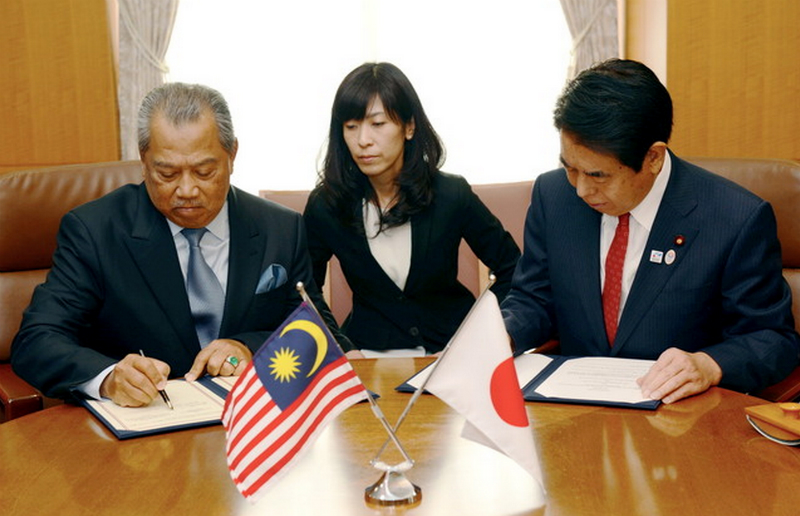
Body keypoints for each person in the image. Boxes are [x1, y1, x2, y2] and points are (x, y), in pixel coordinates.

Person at [501, 59, 800, 403]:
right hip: (569, 412)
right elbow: (534, 298)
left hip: (679, 418)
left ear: (654, 158)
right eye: (569, 168)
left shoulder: (734, 218)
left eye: (598, 175)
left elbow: (772, 338)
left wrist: (709, 364)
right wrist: (504, 335)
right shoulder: (553, 196)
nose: (581, 189)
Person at [11, 83, 324, 407]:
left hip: (252, 420)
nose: (187, 190)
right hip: (145, 426)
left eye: (204, 172)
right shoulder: (95, 231)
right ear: (144, 160)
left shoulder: (281, 228)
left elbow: (315, 329)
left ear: (232, 155)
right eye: (167, 174)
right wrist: (108, 378)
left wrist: (248, 348)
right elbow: (37, 340)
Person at [303, 62, 520, 357]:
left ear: (409, 126)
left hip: (450, 356)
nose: (363, 140)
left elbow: (513, 269)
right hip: (367, 357)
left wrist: (483, 333)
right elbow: (305, 291)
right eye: (351, 126)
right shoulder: (326, 205)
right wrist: (341, 347)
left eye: (377, 124)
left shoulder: (450, 195)